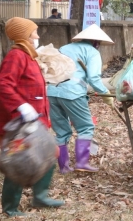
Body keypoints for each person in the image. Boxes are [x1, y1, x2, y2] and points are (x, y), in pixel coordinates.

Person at [0, 18, 63, 216]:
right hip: (19, 122)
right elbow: (4, 85)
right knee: (19, 159)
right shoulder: (16, 56)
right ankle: (10, 207)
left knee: (50, 152)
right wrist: (21, 105)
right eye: (34, 33)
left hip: (35, 120)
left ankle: (40, 196)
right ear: (24, 35)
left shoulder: (29, 55)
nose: (37, 36)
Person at [47, 24, 115, 173]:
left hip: (52, 90)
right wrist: (106, 95)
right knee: (85, 127)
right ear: (96, 42)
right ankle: (82, 162)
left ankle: (64, 167)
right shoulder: (92, 52)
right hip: (72, 92)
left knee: (61, 131)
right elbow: (94, 78)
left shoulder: (64, 48)